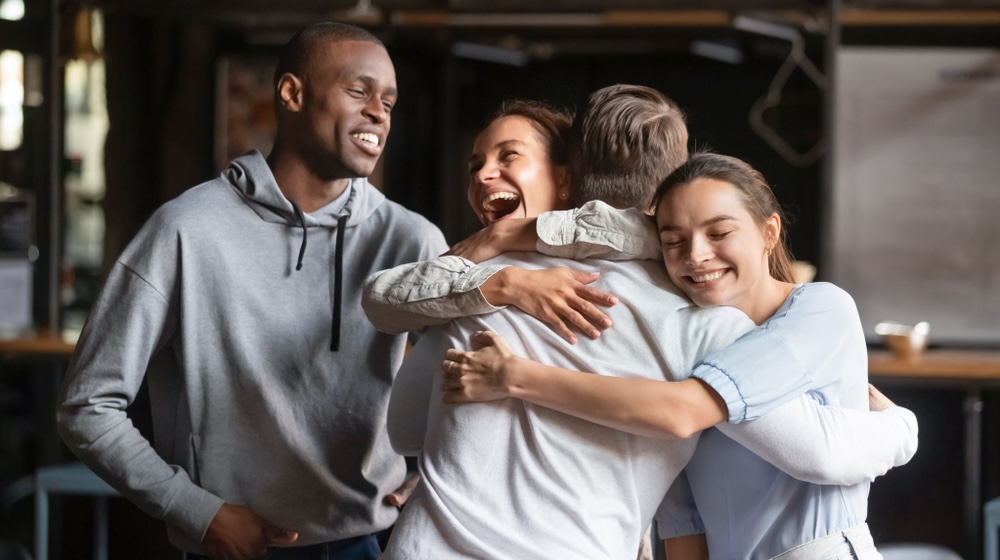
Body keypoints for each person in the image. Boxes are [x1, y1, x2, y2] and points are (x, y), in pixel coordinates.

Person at [366, 87, 917, 559]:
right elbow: (815, 450)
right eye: (676, 239)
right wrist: (903, 429)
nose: (697, 255)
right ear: (664, 201)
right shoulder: (706, 329)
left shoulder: (477, 291)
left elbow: (406, 428)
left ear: (569, 180)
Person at [56, 22, 447, 560]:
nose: (379, 112)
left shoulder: (413, 239)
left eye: (389, 100)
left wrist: (433, 477)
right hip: (233, 547)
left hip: (374, 543)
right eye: (359, 91)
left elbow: (474, 385)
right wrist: (195, 511)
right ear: (291, 93)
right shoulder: (186, 230)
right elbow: (87, 405)